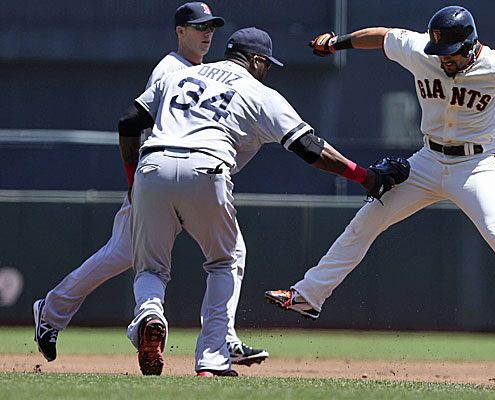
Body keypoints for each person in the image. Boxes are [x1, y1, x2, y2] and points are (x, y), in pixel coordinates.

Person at [265, 5, 495, 353]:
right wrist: (337, 43)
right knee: (367, 220)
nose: (442, 59)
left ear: (471, 46)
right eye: (438, 51)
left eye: (450, 53)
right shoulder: (420, 50)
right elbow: (382, 37)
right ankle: (307, 296)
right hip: (427, 159)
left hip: (476, 165)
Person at [118, 26, 384, 376]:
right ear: (258, 60)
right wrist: (364, 176)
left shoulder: (181, 75)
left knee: (151, 268)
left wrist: (132, 180)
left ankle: (149, 316)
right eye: (267, 64)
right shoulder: (259, 92)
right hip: (207, 168)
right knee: (224, 262)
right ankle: (212, 358)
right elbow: (310, 148)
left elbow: (128, 121)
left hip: (152, 167)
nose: (268, 69)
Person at [33, 2, 268, 368]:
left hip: (165, 177)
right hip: (155, 175)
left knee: (208, 253)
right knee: (128, 255)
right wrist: (133, 184)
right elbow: (137, 123)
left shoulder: (205, 71)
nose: (207, 32)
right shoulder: (169, 68)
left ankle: (217, 337)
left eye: (211, 26)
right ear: (180, 31)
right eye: (198, 26)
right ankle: (51, 310)